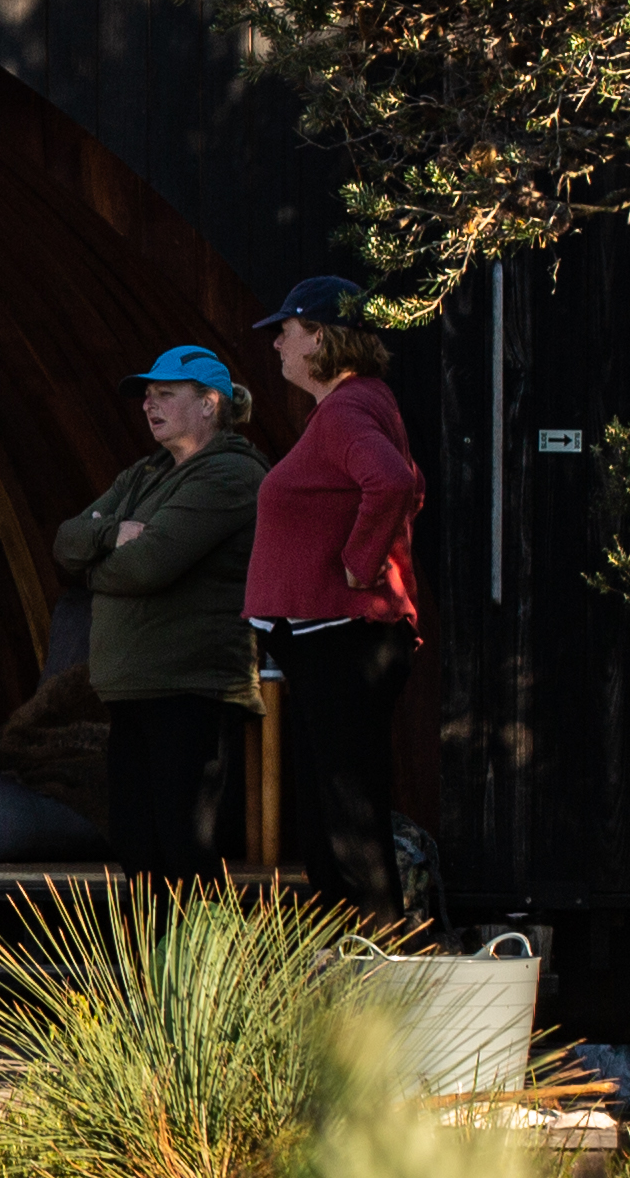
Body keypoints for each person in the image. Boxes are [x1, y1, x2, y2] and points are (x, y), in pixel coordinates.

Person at [244, 276, 428, 916]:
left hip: (342, 637)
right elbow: (410, 484)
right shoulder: (360, 404)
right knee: (331, 801)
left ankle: (380, 950)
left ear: (319, 336)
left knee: (347, 804)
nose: (276, 347)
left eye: (285, 332)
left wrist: (358, 564)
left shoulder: (348, 409)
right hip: (331, 638)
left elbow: (392, 481)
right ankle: (347, 942)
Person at [58, 345, 267, 876]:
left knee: (185, 855)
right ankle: (155, 962)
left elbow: (148, 565)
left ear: (209, 404)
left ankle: (197, 960)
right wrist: (110, 534)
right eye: (147, 396)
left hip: (191, 688)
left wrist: (92, 570)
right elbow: (64, 540)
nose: (149, 405)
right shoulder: (143, 475)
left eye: (166, 394)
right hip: (133, 690)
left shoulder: (230, 475)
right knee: (137, 852)